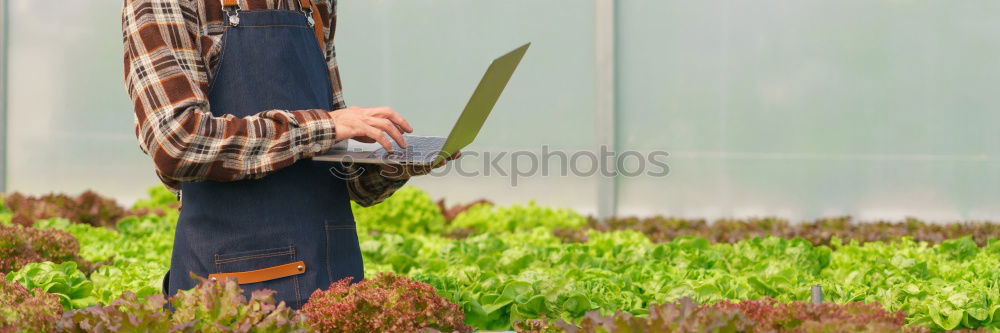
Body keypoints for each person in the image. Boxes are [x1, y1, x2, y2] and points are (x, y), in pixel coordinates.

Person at [121, 0, 458, 309]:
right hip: (238, 289)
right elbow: (177, 141)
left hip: (334, 275)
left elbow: (332, 159)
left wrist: (395, 161)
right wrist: (324, 126)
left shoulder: (315, 4)